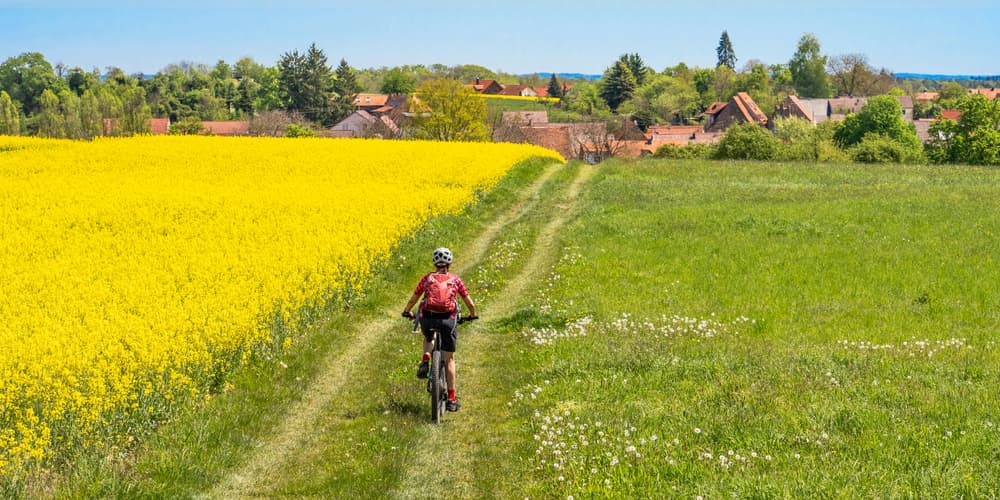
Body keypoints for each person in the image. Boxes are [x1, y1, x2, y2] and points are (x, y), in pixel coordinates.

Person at [401, 247, 477, 412]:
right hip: (448, 321)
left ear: (434, 263)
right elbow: (469, 303)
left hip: (428, 319)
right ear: (449, 263)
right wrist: (472, 315)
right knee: (449, 359)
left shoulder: (427, 278)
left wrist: (407, 311)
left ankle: (426, 359)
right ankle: (451, 398)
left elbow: (414, 297)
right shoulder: (455, 279)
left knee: (429, 338)